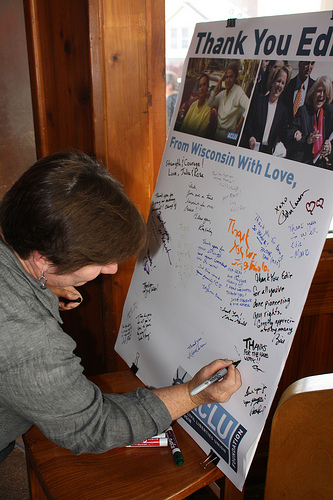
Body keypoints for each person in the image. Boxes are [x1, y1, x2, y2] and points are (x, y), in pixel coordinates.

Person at [0, 151, 241, 462]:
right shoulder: (29, 338)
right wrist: (193, 393)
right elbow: (93, 426)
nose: (112, 268)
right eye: (99, 261)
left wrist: (42, 280)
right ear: (43, 258)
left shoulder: (18, 224)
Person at [241, 65, 291, 155]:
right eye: (278, 81)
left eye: (283, 83)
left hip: (268, 153)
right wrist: (251, 137)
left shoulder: (283, 111)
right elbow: (248, 124)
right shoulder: (258, 102)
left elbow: (283, 133)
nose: (280, 85)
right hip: (252, 149)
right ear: (272, 82)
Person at [285, 75, 333, 169]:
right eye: (319, 91)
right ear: (313, 93)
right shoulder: (303, 111)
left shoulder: (329, 113)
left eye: (325, 92)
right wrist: (306, 139)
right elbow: (289, 136)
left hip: (319, 165)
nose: (321, 95)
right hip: (302, 163)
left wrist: (329, 147)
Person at [207, 62, 249, 144]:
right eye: (226, 77)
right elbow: (210, 103)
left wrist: (237, 128)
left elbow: (248, 107)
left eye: (231, 77)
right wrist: (219, 81)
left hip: (230, 134)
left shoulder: (238, 91)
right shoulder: (222, 93)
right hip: (218, 132)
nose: (228, 80)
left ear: (235, 78)